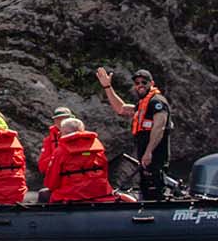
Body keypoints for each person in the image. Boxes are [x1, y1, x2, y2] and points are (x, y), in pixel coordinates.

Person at [96, 66, 172, 200]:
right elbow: (121, 108)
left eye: (144, 82)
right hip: (145, 156)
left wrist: (149, 151)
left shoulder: (157, 102)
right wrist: (107, 87)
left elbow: (159, 128)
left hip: (155, 155)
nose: (140, 85)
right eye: (137, 83)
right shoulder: (143, 104)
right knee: (146, 187)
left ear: (152, 83)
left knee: (155, 187)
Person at [38, 117, 116, 203]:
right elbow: (105, 172)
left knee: (43, 194)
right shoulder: (97, 147)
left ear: (64, 133)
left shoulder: (61, 151)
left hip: (72, 195)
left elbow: (51, 182)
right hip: (99, 193)